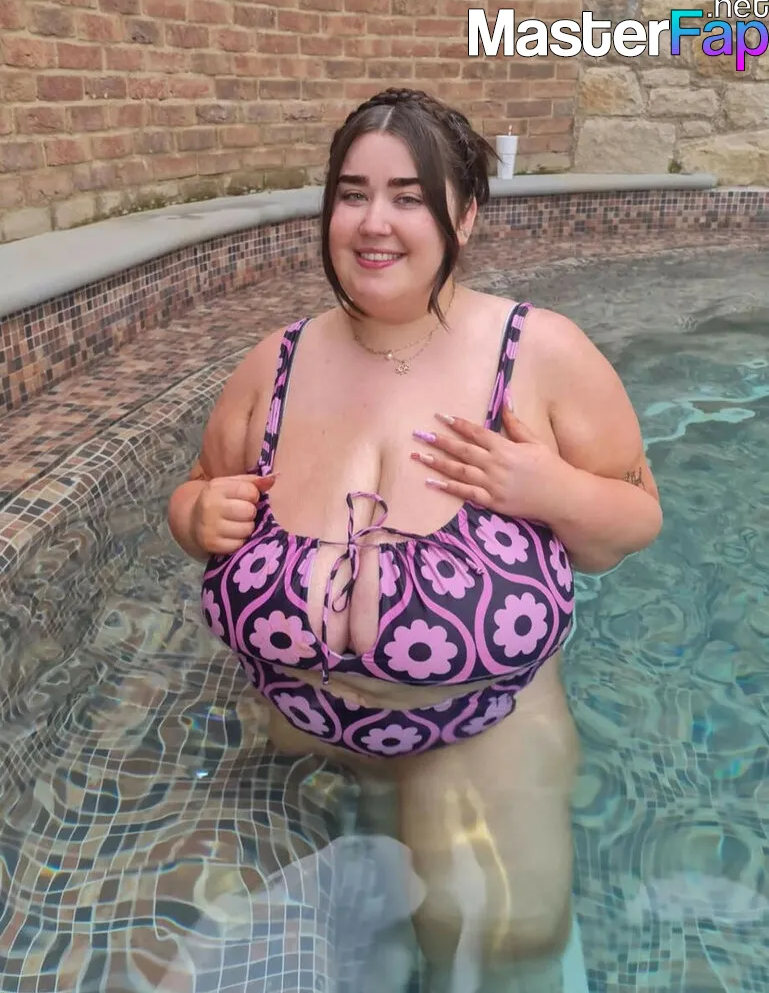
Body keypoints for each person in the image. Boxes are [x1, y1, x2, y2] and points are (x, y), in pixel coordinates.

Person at [168, 87, 663, 991]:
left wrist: (549, 490)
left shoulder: (540, 353)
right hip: (295, 724)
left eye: (408, 196)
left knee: (496, 943)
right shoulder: (275, 364)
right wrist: (196, 515)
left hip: (476, 723)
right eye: (351, 194)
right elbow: (199, 493)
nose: (373, 222)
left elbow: (631, 525)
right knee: (224, 943)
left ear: (463, 215)